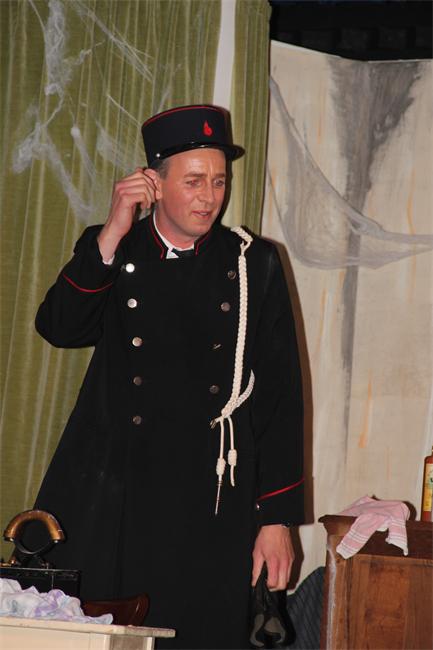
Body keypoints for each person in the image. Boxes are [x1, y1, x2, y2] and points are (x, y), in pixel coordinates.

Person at [32, 105, 304, 649]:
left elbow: (280, 396)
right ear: (153, 183)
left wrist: (276, 519)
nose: (210, 197)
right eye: (194, 181)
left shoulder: (254, 263)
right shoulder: (115, 248)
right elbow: (60, 328)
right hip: (115, 490)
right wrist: (112, 230)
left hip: (211, 495)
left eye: (219, 181)